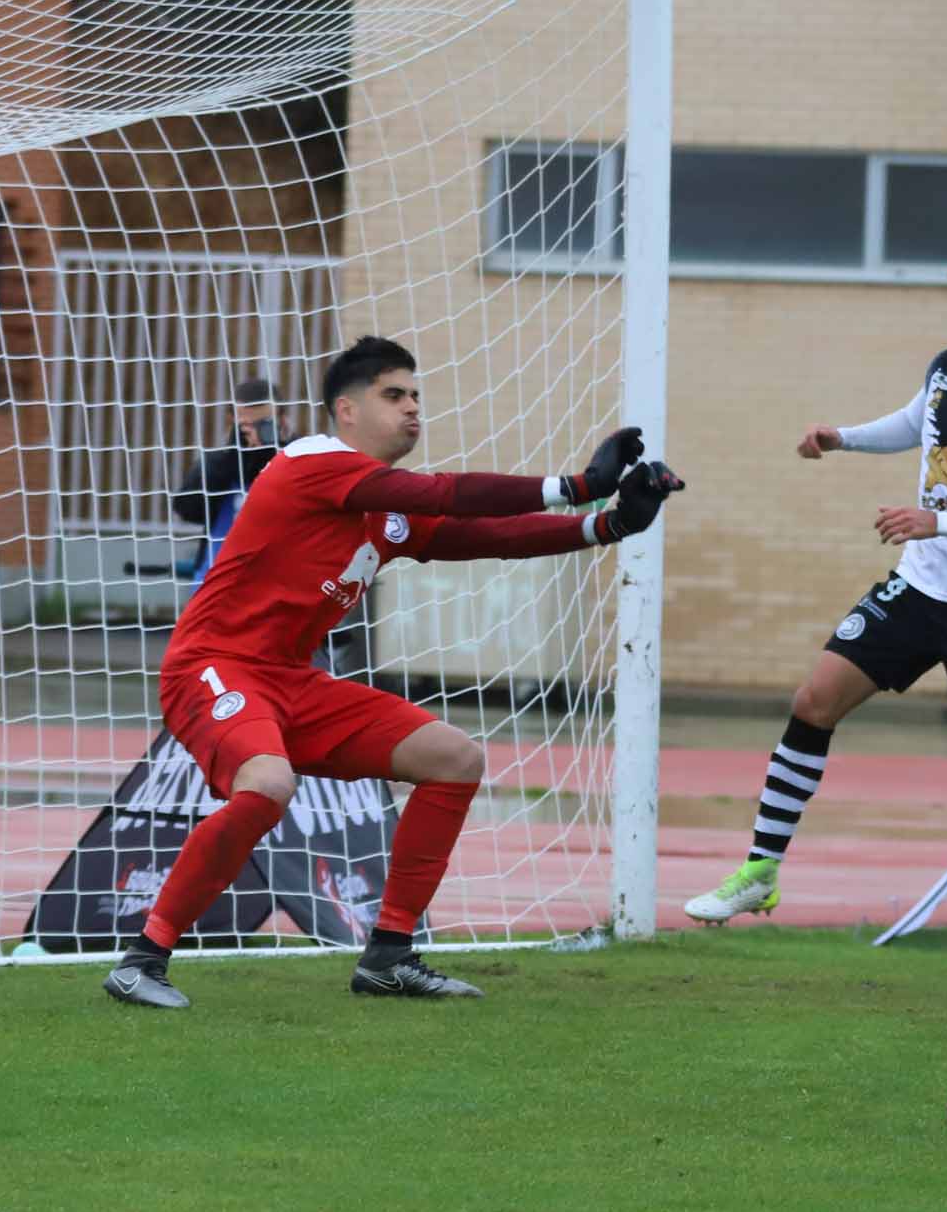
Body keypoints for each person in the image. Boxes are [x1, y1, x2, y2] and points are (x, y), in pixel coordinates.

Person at [103, 336, 681, 1008]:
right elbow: (447, 492)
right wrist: (575, 487)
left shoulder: (388, 511)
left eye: (416, 397)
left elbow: (484, 536)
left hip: (292, 680)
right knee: (267, 783)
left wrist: (609, 526)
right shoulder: (311, 459)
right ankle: (143, 959)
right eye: (394, 395)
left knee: (453, 758)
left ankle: (389, 956)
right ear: (345, 410)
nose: (412, 409)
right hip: (213, 664)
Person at [686, 238, 947, 924]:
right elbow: (917, 425)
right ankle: (760, 870)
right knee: (815, 700)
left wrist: (936, 524)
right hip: (917, 590)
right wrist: (842, 437)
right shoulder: (945, 370)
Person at [172, 376, 283, 588]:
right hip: (216, 586)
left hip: (274, 586)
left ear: (282, 419)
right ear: (233, 420)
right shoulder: (220, 463)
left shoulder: (297, 460)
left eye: (264, 424)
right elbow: (186, 508)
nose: (255, 432)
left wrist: (276, 451)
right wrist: (233, 455)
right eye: (247, 425)